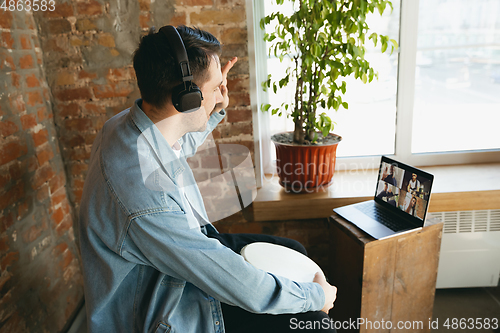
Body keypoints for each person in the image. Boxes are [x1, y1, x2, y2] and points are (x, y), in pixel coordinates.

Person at [76, 25, 337, 333]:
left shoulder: (127, 125)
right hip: (164, 304)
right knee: (314, 324)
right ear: (186, 99)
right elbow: (244, 288)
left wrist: (212, 108)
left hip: (170, 256)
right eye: (214, 88)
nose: (219, 93)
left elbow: (175, 143)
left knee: (293, 248)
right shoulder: (147, 202)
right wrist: (316, 296)